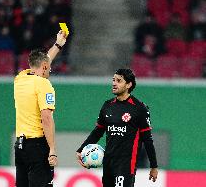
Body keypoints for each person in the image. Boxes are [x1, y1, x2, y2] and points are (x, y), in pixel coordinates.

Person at [76, 68, 158, 187]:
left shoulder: (140, 108)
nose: (114, 83)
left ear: (128, 85)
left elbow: (148, 139)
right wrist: (81, 150)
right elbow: (97, 132)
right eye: (113, 80)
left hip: (126, 164)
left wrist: (153, 165)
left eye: (119, 81)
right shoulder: (107, 105)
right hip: (108, 162)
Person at [14, 30, 66, 187]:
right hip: (37, 146)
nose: (50, 70)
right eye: (48, 67)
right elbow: (46, 118)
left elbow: (44, 60)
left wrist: (57, 45)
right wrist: (52, 149)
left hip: (20, 146)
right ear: (44, 67)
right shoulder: (44, 84)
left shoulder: (20, 78)